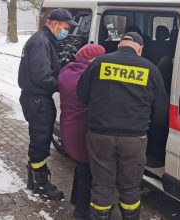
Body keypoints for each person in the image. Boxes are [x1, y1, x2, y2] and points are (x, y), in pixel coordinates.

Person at [77, 32, 169, 220]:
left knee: (102, 184)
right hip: (134, 138)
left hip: (100, 135)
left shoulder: (98, 63)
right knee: (130, 186)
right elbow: (161, 111)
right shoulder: (150, 69)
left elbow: (82, 96)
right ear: (140, 48)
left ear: (120, 45)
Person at [18, 8, 78, 200]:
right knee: (41, 142)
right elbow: (42, 77)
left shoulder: (43, 40)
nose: (67, 31)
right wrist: (65, 85)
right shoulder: (40, 42)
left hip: (36, 99)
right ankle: (41, 185)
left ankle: (33, 180)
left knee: (38, 140)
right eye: (66, 27)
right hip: (37, 101)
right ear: (54, 24)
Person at [57, 44, 106, 219]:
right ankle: (82, 211)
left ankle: (76, 198)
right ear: (92, 59)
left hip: (69, 126)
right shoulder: (88, 76)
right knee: (87, 170)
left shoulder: (67, 70)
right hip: (82, 128)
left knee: (80, 165)